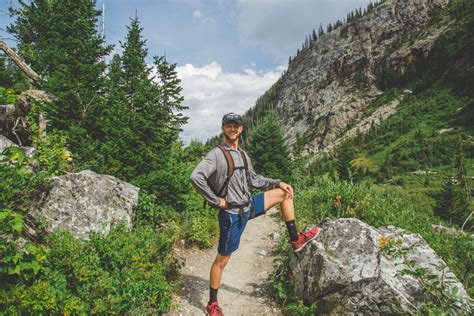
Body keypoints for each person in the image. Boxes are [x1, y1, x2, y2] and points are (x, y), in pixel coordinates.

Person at [190, 112, 320, 316]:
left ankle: (295, 240)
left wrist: (278, 182)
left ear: (241, 129)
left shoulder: (242, 154)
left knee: (284, 193)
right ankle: (212, 304)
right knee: (222, 261)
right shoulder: (216, 154)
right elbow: (196, 177)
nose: (233, 129)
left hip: (248, 206)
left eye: (236, 126)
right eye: (229, 125)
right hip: (231, 215)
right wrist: (217, 202)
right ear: (223, 128)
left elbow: (254, 180)